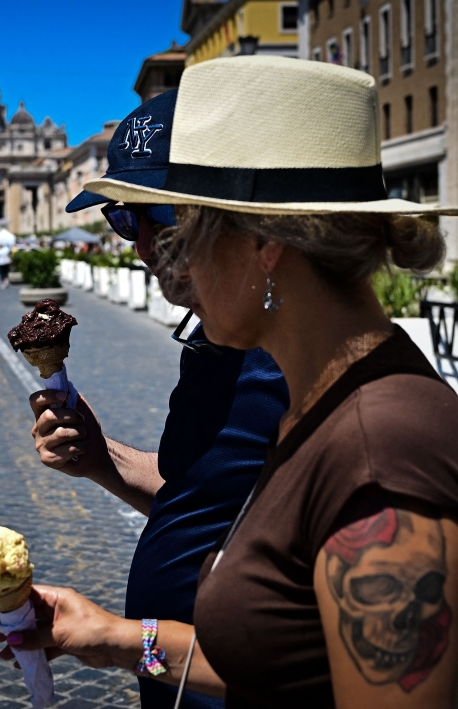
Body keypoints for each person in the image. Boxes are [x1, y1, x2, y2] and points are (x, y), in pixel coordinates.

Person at [0, 57, 458, 709]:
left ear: (264, 242)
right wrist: (115, 640)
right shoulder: (327, 396)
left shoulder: (383, 460)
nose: (155, 253)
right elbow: (277, 671)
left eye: (185, 228)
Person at [21, 90, 288, 709]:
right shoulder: (215, 345)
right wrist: (101, 458)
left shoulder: (333, 402)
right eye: (122, 219)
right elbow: (207, 502)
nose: (138, 245)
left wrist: (119, 642)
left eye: (156, 217)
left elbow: (318, 673)